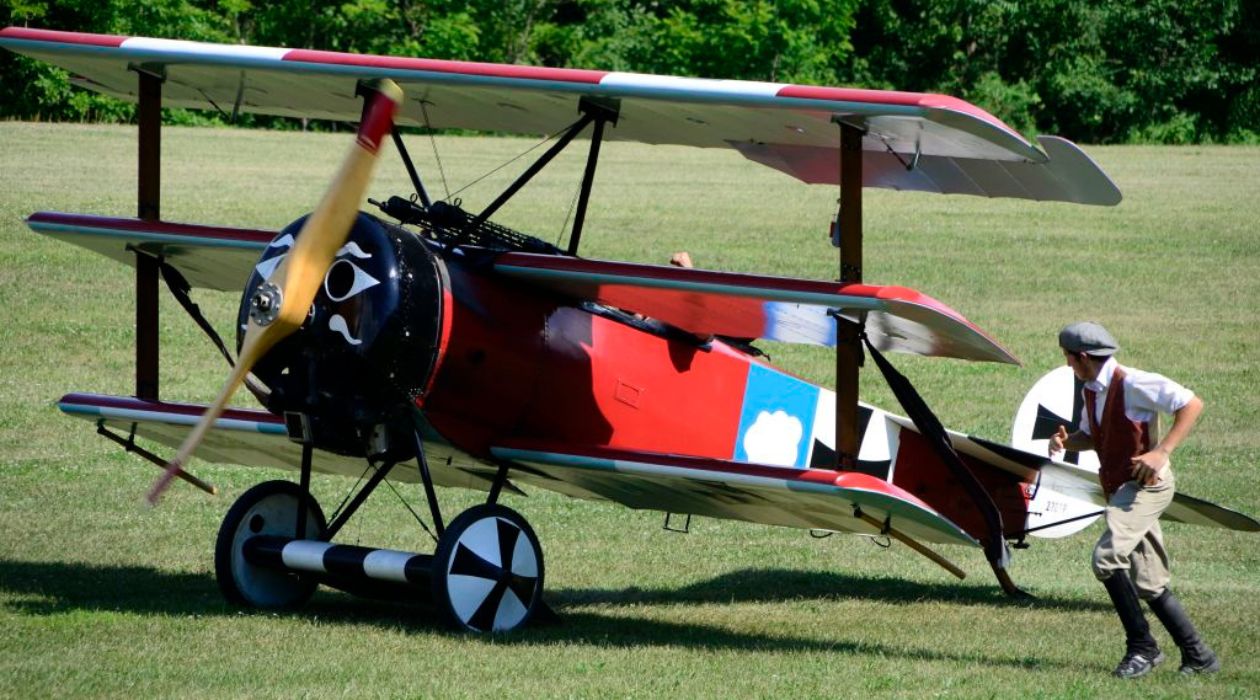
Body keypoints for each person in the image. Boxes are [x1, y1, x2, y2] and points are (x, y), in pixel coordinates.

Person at [1049, 321, 1218, 679]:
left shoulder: (1135, 383)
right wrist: (1067, 442)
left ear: (1081, 357)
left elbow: (1191, 403)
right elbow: (1093, 435)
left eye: (1067, 358)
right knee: (1150, 582)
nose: (1066, 365)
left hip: (1146, 487)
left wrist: (1162, 451)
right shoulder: (1091, 389)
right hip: (1122, 489)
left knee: (1106, 559)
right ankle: (1199, 656)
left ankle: (1142, 648)